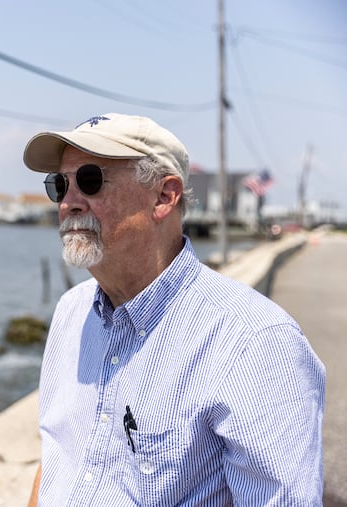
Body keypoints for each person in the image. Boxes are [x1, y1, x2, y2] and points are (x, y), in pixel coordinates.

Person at [23, 113, 325, 506]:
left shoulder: (256, 343)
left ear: (164, 197)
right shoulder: (71, 312)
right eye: (60, 184)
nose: (68, 202)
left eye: (90, 180)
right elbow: (57, 458)